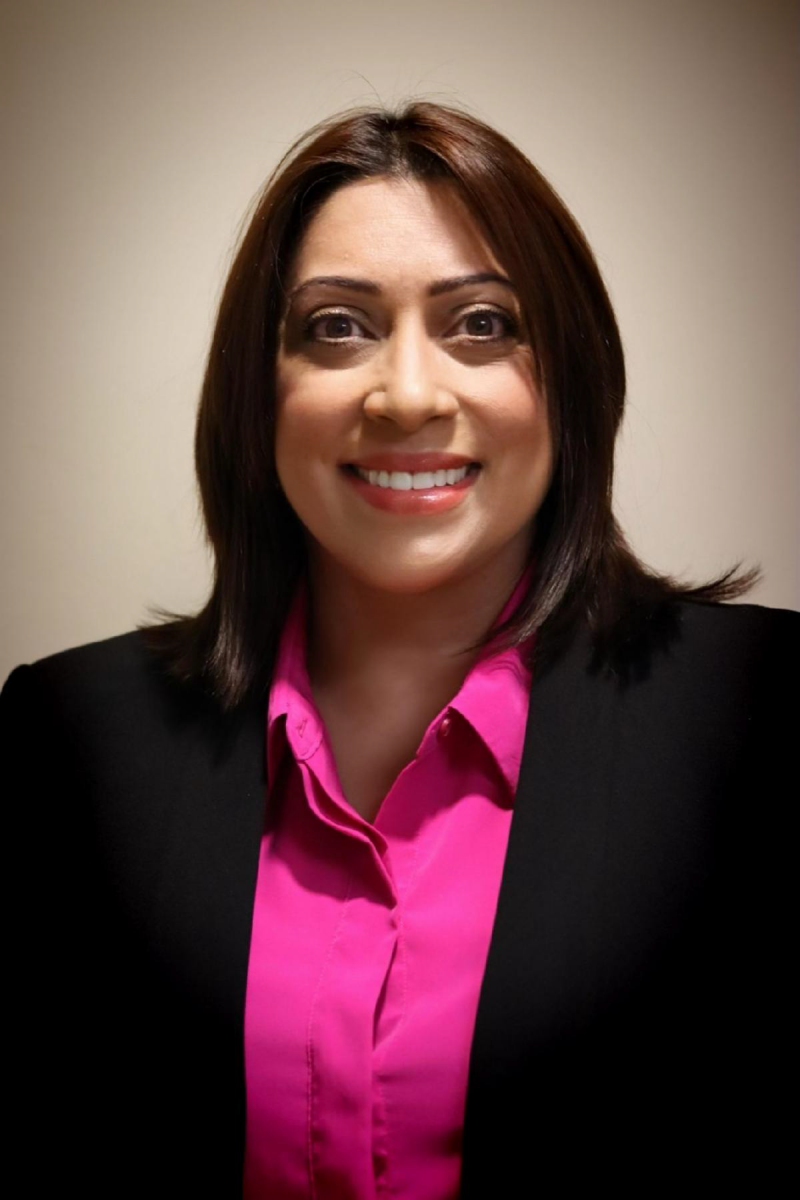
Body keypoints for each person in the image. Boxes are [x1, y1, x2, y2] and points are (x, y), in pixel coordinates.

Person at [3, 100, 796, 1198]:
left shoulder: (766, 713)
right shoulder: (64, 733)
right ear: (258, 393)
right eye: (336, 327)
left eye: (481, 325)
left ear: (567, 377)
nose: (408, 394)